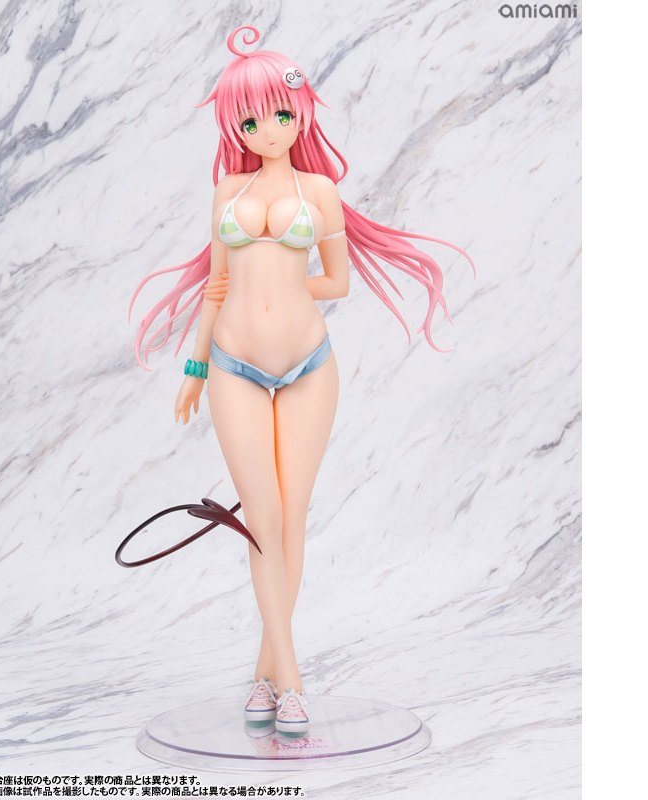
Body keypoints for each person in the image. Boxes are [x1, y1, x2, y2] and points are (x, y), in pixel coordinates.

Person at [128, 25, 475, 735]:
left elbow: (338, 281)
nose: (268, 130)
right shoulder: (227, 188)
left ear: (302, 111)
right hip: (232, 366)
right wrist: (195, 367)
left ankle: (267, 676)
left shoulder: (320, 190)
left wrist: (285, 284)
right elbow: (216, 286)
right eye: (250, 121)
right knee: (263, 522)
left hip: (310, 365)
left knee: (291, 517)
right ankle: (291, 682)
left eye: (281, 114)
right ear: (234, 126)